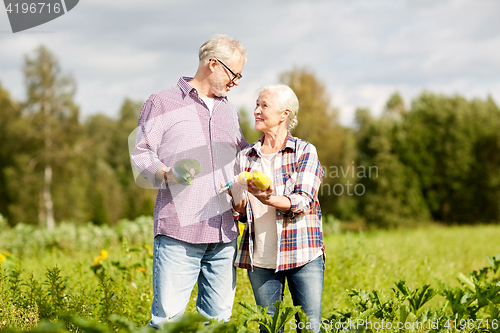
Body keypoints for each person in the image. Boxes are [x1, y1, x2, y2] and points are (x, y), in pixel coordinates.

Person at [130, 34, 248, 329]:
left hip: (223, 235)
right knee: (167, 323)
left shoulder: (229, 111)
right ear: (213, 65)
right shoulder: (162, 102)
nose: (236, 82)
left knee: (219, 324)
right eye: (234, 74)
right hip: (179, 234)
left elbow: (244, 158)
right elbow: (141, 153)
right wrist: (167, 173)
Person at [231, 84, 325, 333]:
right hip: (261, 259)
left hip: (302, 255)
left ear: (285, 114)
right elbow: (241, 213)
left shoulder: (304, 151)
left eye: (264, 105)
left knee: (308, 328)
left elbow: (303, 200)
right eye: (256, 105)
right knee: (270, 330)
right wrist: (237, 202)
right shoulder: (245, 157)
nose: (256, 111)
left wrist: (269, 198)